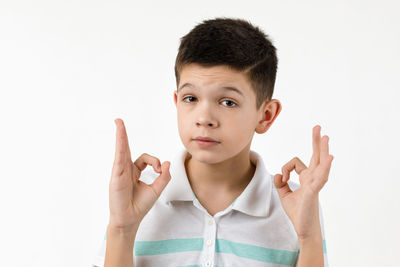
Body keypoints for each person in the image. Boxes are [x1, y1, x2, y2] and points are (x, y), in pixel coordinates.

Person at [92, 17, 333, 267]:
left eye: (227, 102)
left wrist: (309, 237)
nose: (204, 118)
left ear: (266, 115)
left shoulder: (294, 205)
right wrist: (122, 228)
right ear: (176, 102)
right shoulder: (140, 197)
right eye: (191, 98)